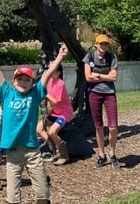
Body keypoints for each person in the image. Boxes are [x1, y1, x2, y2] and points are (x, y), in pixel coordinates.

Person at [0, 39, 68, 204]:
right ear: (14, 81)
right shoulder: (7, 93)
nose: (23, 82)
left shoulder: (36, 93)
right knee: (13, 192)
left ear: (31, 82)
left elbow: (46, 75)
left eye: (27, 79)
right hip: (12, 153)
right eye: (19, 79)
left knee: (42, 189)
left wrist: (61, 57)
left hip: (32, 151)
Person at [83, 34, 120, 169]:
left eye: (105, 44)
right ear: (96, 44)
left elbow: (114, 77)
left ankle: (112, 153)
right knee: (98, 126)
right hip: (94, 93)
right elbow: (87, 77)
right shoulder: (89, 57)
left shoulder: (112, 57)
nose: (103, 46)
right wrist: (106, 76)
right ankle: (101, 154)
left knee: (113, 126)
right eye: (101, 43)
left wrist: (98, 75)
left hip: (109, 93)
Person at [36, 64, 74, 165]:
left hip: (64, 113)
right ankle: (55, 150)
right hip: (54, 112)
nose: (50, 71)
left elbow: (56, 101)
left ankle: (64, 155)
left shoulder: (60, 83)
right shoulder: (48, 82)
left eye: (53, 70)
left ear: (58, 73)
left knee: (52, 132)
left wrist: (45, 94)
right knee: (39, 129)